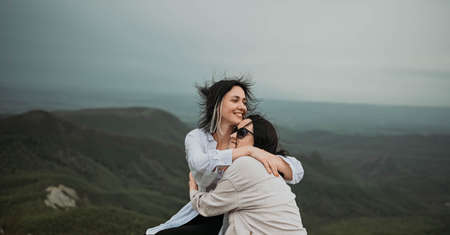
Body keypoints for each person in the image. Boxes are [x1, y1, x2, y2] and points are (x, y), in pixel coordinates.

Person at [146, 78, 304, 235]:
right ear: (217, 104)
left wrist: (263, 156)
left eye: (244, 102)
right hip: (207, 209)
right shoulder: (198, 137)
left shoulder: (248, 138)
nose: (242, 106)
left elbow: (296, 170)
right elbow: (199, 164)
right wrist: (248, 152)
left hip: (235, 211)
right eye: (235, 100)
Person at [189, 114, 307, 235]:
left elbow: (207, 207)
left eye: (242, 133)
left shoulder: (245, 164)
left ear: (259, 140)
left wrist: (193, 189)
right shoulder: (264, 166)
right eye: (234, 130)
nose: (233, 136)